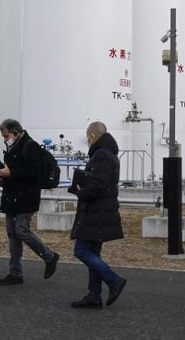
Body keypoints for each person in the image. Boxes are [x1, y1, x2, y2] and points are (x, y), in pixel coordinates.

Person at [0, 118, 60, 285]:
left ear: (15, 133)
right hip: (13, 195)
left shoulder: (30, 146)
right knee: (12, 231)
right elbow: (16, 172)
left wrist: (11, 174)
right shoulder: (14, 147)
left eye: (6, 135)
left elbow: (33, 172)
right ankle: (15, 272)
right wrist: (1, 178)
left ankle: (49, 256)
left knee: (21, 230)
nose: (4, 139)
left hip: (26, 196)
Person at [67, 121, 126, 309]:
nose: (87, 139)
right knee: (92, 252)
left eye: (87, 136)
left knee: (81, 250)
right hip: (102, 210)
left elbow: (100, 185)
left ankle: (113, 279)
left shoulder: (101, 155)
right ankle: (94, 295)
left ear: (92, 136)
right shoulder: (110, 154)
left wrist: (80, 191)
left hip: (96, 211)